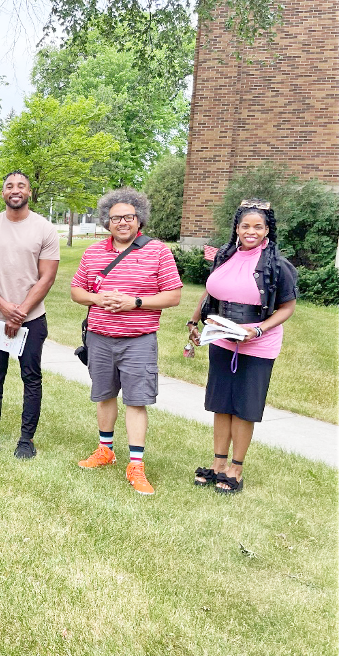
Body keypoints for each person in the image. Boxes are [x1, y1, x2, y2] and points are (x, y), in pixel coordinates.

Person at [70, 188, 182, 495]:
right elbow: (76, 291)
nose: (122, 222)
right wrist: (97, 297)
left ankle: (136, 465)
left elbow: (173, 295)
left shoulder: (157, 251)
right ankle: (105, 450)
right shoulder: (93, 252)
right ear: (107, 221)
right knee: (104, 396)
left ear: (139, 219)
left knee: (136, 400)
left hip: (138, 340)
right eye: (116, 217)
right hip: (100, 338)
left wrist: (135, 302)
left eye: (128, 217)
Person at [187, 199, 297, 494]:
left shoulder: (278, 265)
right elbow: (210, 291)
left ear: (266, 231)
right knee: (221, 405)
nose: (251, 231)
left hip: (258, 345)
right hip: (221, 338)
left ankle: (236, 468)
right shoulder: (224, 255)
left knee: (244, 408)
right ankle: (218, 463)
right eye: (245, 226)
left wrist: (258, 329)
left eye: (257, 227)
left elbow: (287, 308)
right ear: (236, 228)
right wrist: (194, 321)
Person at [0, 171, 60, 458]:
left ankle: (26, 440)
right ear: (2, 193)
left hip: (32, 319)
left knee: (31, 378)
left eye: (21, 186)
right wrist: (3, 307)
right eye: (9, 186)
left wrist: (20, 311)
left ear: (29, 192)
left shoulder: (45, 229)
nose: (15, 190)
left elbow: (47, 277)